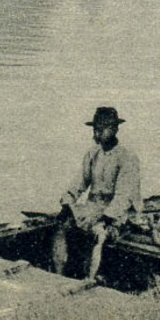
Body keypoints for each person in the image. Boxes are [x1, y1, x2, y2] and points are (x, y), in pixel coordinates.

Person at [52, 106, 143, 280]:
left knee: (98, 234)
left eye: (101, 129)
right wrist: (67, 201)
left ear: (115, 129)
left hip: (118, 211)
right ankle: (58, 276)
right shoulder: (92, 153)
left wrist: (107, 217)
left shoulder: (127, 157)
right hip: (93, 207)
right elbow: (80, 181)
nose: (97, 134)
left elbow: (124, 195)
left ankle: (89, 280)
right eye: (95, 129)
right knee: (62, 225)